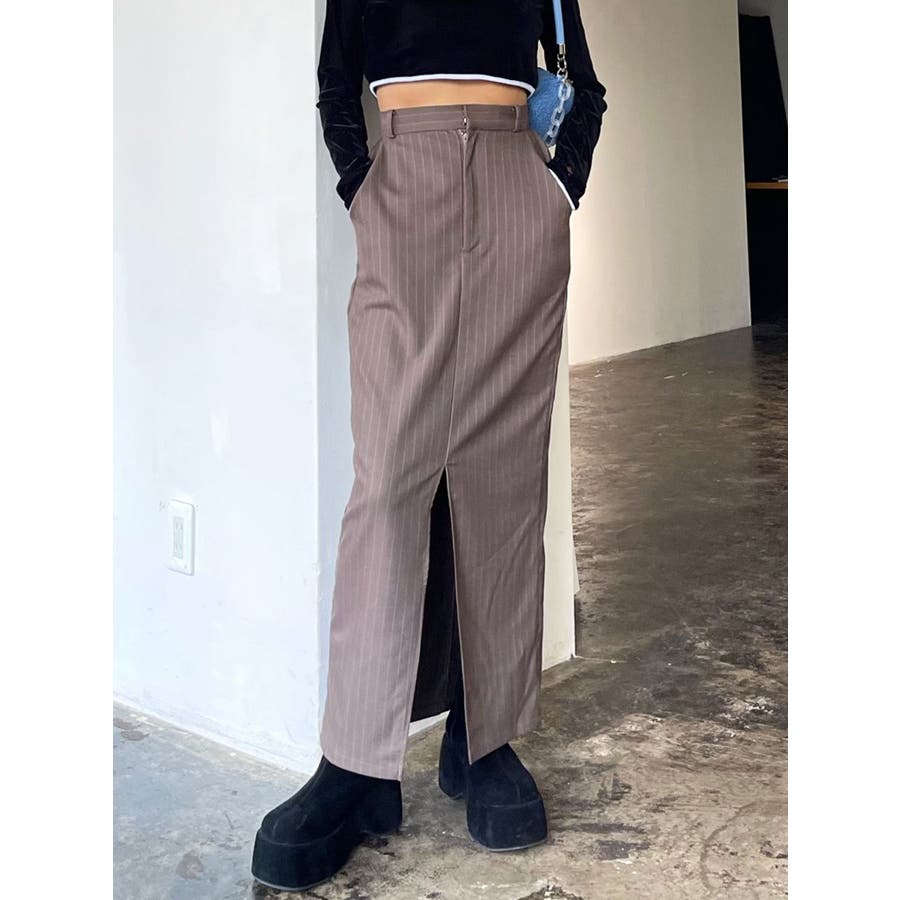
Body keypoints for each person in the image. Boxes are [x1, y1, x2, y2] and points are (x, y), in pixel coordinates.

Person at [251, 0, 608, 891]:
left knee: (503, 478)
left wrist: (558, 189)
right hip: (402, 189)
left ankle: (483, 737)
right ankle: (356, 764)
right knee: (387, 482)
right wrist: (365, 189)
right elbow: (336, 85)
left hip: (517, 189)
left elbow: (585, 84)